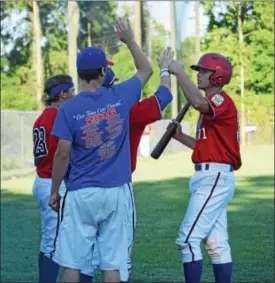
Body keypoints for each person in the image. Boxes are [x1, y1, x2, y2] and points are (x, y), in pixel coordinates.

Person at [48, 18, 152, 283]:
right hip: (116, 191)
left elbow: (62, 154)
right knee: (112, 264)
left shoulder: (68, 108)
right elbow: (145, 69)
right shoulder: (120, 95)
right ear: (104, 71)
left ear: (79, 74)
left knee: (72, 262)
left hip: (81, 192)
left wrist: (54, 191)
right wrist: (129, 40)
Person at [80, 47, 174, 282]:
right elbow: (164, 95)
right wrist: (165, 68)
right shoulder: (130, 108)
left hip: (82, 187)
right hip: (117, 185)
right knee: (117, 257)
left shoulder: (78, 107)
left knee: (83, 258)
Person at [167, 53, 242, 283]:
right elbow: (204, 148)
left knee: (187, 239)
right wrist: (180, 137)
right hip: (209, 174)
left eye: (204, 71)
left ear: (218, 76)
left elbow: (199, 103)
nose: (198, 74)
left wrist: (179, 73)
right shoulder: (210, 108)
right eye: (197, 71)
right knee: (216, 244)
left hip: (215, 177)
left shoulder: (220, 100)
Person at [32, 74, 75, 283]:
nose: (74, 94)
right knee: (53, 242)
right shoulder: (58, 115)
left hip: (42, 179)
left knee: (50, 239)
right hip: (52, 182)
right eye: (72, 91)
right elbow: (62, 152)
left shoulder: (42, 117)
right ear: (62, 94)